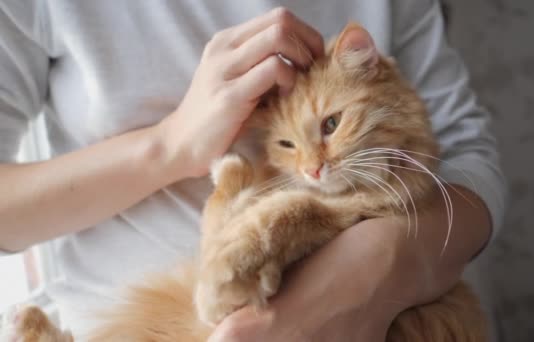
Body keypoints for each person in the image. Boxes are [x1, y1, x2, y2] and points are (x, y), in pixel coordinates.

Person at [0, 0, 506, 340]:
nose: (312, 164)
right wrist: (170, 144)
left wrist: (385, 264)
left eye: (330, 125)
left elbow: (467, 149)